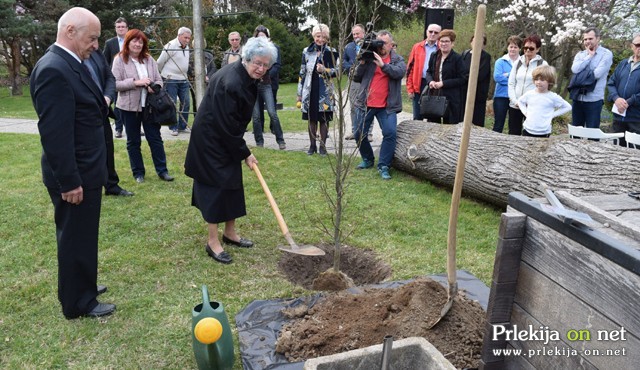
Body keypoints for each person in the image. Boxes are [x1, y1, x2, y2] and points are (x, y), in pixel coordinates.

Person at [30, 7, 115, 319]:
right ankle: (78, 303)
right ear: (70, 32)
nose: (96, 45)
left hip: (87, 169)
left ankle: (82, 286)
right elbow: (55, 135)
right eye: (92, 38)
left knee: (81, 235)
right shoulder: (54, 68)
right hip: (74, 176)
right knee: (74, 237)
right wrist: (70, 181)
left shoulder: (71, 62)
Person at [184, 37, 278, 264]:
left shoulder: (245, 77)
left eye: (266, 65)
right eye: (257, 63)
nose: (261, 68)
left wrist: (240, 151)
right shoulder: (232, 82)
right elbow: (225, 124)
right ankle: (213, 241)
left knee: (232, 183)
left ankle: (230, 232)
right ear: (246, 59)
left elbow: (232, 124)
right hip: (211, 141)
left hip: (226, 138)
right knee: (216, 189)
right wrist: (245, 152)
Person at [112, 29, 174, 183]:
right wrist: (135, 83)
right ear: (128, 42)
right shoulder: (119, 60)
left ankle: (162, 171)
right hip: (128, 108)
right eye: (135, 40)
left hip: (150, 106)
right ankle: (138, 173)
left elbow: (159, 79)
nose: (138, 44)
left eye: (141, 42)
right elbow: (114, 84)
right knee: (133, 142)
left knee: (155, 139)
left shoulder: (149, 59)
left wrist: (155, 86)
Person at [352, 30, 405, 180]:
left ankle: (384, 165)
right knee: (358, 133)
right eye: (379, 43)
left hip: (387, 106)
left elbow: (399, 73)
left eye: (384, 43)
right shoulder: (368, 58)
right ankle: (368, 159)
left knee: (390, 134)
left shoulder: (397, 59)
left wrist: (383, 65)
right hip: (366, 103)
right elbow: (356, 78)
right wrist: (362, 62)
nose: (381, 46)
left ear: (391, 45)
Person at [85, 49, 134, 197]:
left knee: (107, 149)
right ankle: (87, 186)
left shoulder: (97, 54)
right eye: (92, 38)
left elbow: (110, 78)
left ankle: (111, 185)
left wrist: (107, 97)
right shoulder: (69, 59)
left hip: (102, 111)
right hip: (83, 115)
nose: (95, 44)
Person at [297, 24, 338, 156]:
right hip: (310, 90)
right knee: (311, 118)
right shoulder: (306, 51)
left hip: (325, 91)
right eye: (318, 36)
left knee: (324, 119)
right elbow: (302, 73)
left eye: (323, 36)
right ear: (314, 36)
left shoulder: (332, 51)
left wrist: (324, 70)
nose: (320, 39)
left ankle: (323, 147)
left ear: (327, 37)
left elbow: (337, 72)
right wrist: (299, 94)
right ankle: (312, 145)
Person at [570, 27, 613, 129]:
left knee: (592, 134)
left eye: (590, 38)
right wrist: (589, 56)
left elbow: (597, 74)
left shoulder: (606, 54)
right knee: (575, 133)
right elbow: (575, 70)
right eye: (585, 39)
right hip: (578, 98)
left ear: (598, 39)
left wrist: (580, 76)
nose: (587, 41)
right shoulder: (580, 55)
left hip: (594, 100)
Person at [251, 25, 286, 150]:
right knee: (255, 116)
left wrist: (264, 74)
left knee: (272, 113)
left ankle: (280, 140)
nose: (261, 38)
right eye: (259, 36)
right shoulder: (251, 50)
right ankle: (259, 142)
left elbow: (276, 65)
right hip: (254, 86)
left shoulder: (273, 49)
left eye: (263, 36)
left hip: (266, 84)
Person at [425, 29, 468, 124]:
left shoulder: (457, 58)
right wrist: (430, 81)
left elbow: (462, 78)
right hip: (435, 96)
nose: (443, 44)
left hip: (451, 99)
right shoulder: (434, 56)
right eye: (441, 41)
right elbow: (428, 72)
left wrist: (443, 83)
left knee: (449, 126)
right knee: (433, 125)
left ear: (452, 43)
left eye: (447, 41)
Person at [508, 34, 547, 135]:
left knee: (529, 134)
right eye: (525, 48)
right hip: (515, 105)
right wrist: (515, 101)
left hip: (531, 107)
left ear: (537, 49)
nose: (528, 50)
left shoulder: (542, 64)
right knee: (513, 133)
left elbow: (545, 87)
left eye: (531, 48)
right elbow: (511, 83)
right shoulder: (518, 63)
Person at [517, 66, 571, 137]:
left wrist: (552, 115)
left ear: (550, 81)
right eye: (536, 79)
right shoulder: (529, 94)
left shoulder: (553, 97)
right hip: (528, 130)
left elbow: (568, 107)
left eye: (542, 80)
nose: (538, 82)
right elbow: (520, 101)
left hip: (544, 132)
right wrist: (525, 112)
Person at [157, 27, 192, 136]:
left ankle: (182, 126)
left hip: (183, 79)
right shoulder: (170, 45)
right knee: (172, 103)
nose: (187, 40)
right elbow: (159, 62)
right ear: (179, 35)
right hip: (170, 78)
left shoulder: (187, 47)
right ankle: (173, 127)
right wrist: (162, 76)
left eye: (189, 38)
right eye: (185, 37)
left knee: (186, 102)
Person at [607, 34, 640, 146]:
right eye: (637, 45)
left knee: (634, 154)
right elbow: (611, 83)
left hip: (636, 119)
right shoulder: (623, 64)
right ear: (632, 46)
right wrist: (616, 98)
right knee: (617, 152)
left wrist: (627, 102)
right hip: (618, 117)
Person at [342, 23, 372, 142]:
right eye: (353, 34)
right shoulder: (348, 47)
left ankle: (368, 133)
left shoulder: (369, 45)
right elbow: (344, 61)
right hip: (353, 79)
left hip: (367, 78)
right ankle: (355, 131)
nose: (355, 36)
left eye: (357, 33)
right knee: (353, 105)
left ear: (363, 33)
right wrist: (352, 67)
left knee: (367, 105)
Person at [406, 23, 442, 120]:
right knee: (417, 117)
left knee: (433, 117)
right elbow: (409, 69)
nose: (433, 34)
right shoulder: (417, 47)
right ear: (426, 32)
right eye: (430, 31)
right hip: (418, 84)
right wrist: (410, 88)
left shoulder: (441, 48)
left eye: (436, 32)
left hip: (434, 85)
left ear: (439, 34)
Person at [103, 17, 129, 138]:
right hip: (115, 77)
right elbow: (105, 60)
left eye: (123, 26)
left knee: (134, 102)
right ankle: (118, 129)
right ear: (115, 29)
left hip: (130, 76)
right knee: (118, 104)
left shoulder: (132, 41)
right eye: (118, 27)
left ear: (127, 28)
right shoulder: (110, 43)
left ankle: (134, 128)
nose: (121, 29)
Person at [492, 36, 522, 133]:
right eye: (511, 46)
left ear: (520, 49)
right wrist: (513, 79)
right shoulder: (500, 61)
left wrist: (507, 75)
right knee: (498, 124)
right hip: (501, 96)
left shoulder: (523, 63)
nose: (513, 49)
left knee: (515, 125)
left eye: (515, 47)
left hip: (517, 98)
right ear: (507, 47)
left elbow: (523, 79)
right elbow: (497, 77)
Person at [461, 35, 492, 127]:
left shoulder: (485, 57)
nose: (477, 43)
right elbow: (459, 70)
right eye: (475, 41)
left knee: (476, 121)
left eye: (480, 41)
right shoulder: (465, 54)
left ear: (484, 45)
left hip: (477, 94)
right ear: (471, 42)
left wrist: (464, 76)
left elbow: (480, 75)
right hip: (464, 92)